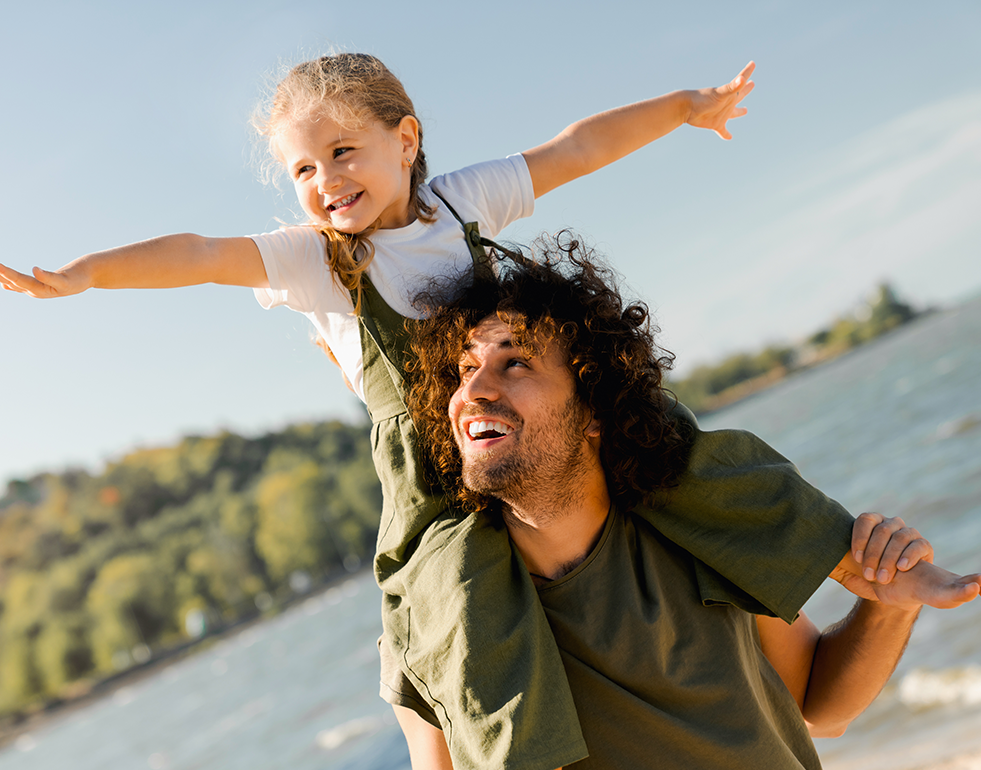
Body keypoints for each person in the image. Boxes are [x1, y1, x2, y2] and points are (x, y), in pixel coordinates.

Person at [0, 52, 877, 768]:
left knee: (686, 458)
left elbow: (574, 148)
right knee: (456, 601)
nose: (325, 180)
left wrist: (685, 105)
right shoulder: (315, 262)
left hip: (535, 442)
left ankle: (848, 560)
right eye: (301, 168)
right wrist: (88, 273)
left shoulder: (462, 202)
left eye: (342, 152)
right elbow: (200, 251)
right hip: (436, 488)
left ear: (405, 138)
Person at [401, 234, 981, 768]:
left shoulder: (693, 525)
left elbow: (819, 705)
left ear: (594, 407)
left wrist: (887, 604)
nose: (473, 392)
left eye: (515, 363)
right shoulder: (448, 616)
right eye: (464, 370)